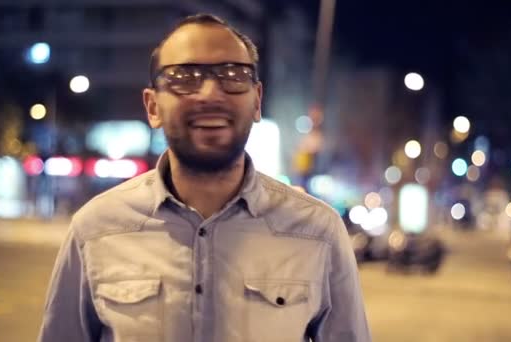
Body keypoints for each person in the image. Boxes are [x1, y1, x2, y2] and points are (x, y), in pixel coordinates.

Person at [38, 13, 371, 342]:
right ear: (153, 106)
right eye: (184, 77)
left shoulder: (317, 231)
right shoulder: (95, 229)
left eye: (233, 74)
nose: (211, 94)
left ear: (257, 101)